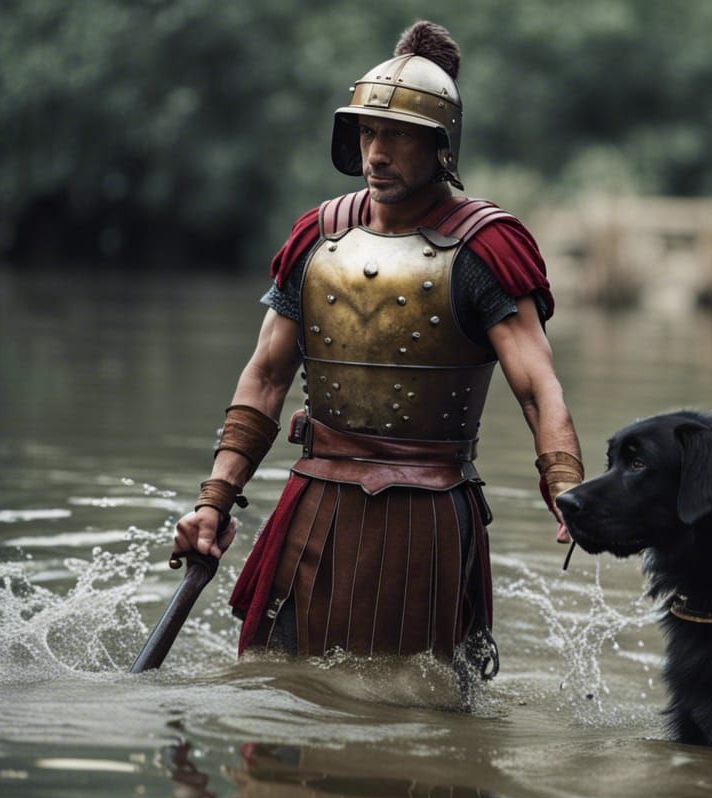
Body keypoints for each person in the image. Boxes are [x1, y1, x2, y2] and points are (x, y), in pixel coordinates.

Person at [171, 21, 582, 691]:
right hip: (314, 504)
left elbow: (538, 387)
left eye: (397, 135)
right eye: (367, 132)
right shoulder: (318, 236)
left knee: (417, 707)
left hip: (428, 515)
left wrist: (565, 487)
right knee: (276, 689)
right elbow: (267, 376)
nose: (377, 153)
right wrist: (214, 500)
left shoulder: (485, 247)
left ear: (440, 147)